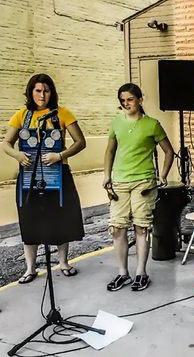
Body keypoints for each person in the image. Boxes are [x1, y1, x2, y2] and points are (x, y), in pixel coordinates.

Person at [1, 73, 86, 284]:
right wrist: (18, 155)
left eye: (46, 90)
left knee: (61, 216)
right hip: (29, 177)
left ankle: (63, 262)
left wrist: (60, 155)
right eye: (38, 90)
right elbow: (5, 144)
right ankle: (30, 268)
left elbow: (80, 142)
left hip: (58, 175)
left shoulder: (62, 114)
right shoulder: (22, 115)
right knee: (29, 218)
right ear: (31, 92)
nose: (42, 95)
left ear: (52, 92)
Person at [103, 83, 174, 292]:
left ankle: (141, 273)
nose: (126, 104)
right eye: (123, 101)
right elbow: (109, 151)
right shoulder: (116, 123)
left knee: (141, 227)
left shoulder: (152, 124)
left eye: (130, 99)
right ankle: (122, 273)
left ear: (140, 100)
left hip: (144, 181)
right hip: (120, 182)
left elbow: (169, 151)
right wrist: (106, 176)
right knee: (117, 228)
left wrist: (163, 176)